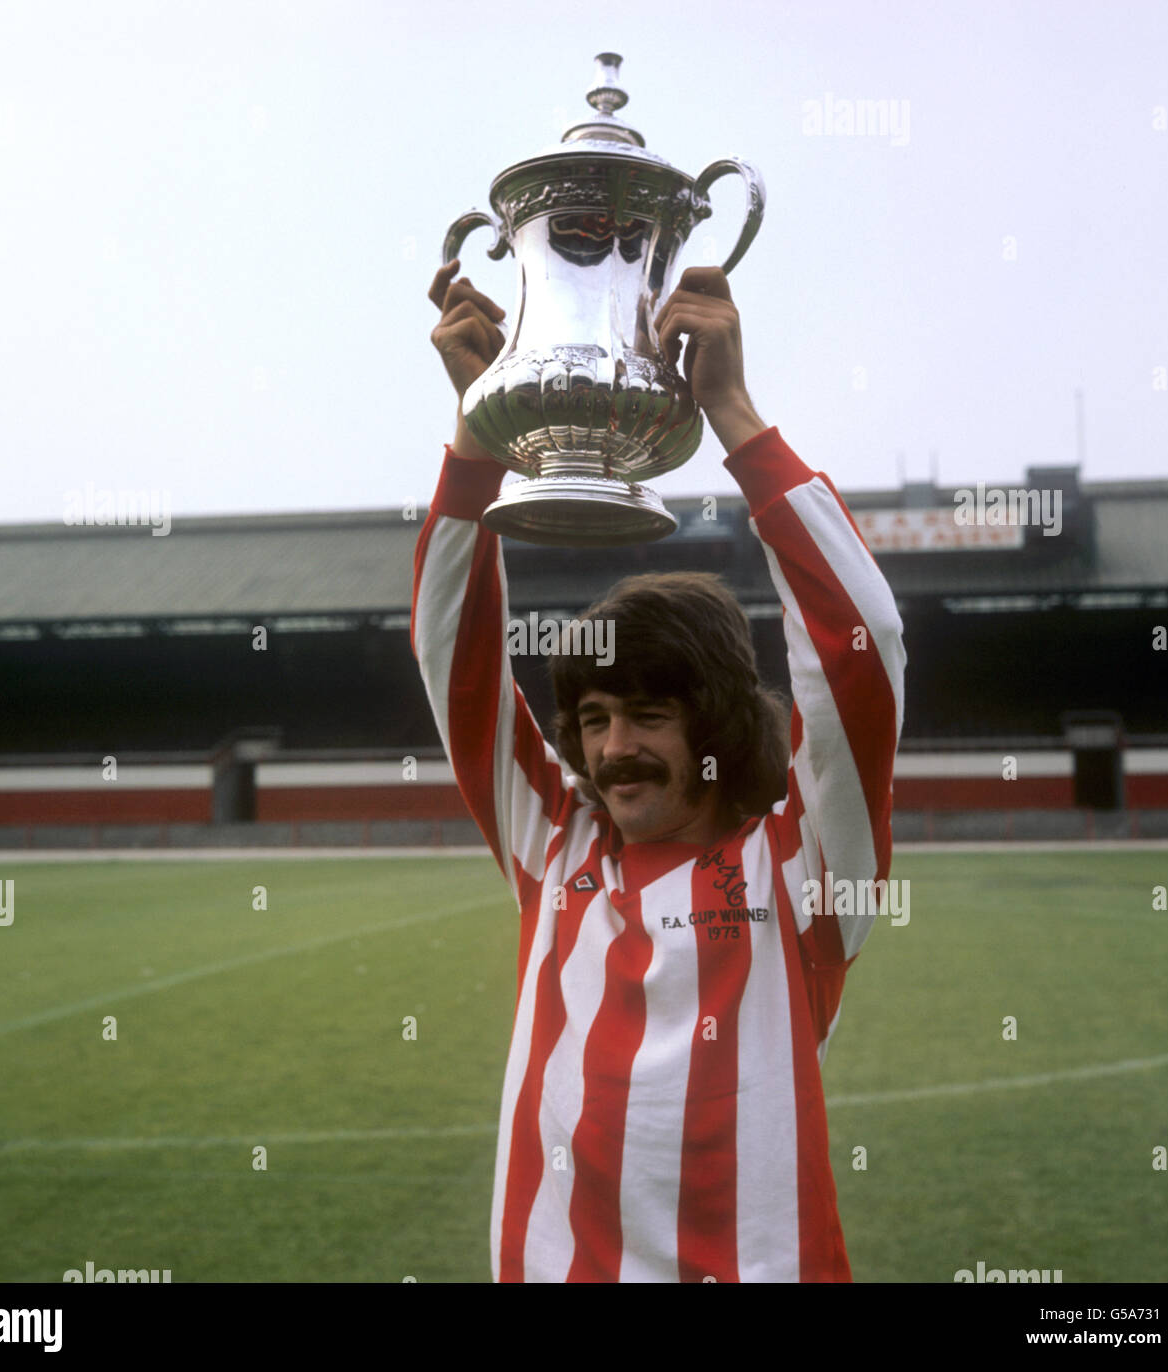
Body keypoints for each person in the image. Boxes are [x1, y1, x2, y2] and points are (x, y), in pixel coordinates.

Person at [415, 259, 906, 1282]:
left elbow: (863, 650)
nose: (610, 749)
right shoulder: (556, 846)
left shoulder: (803, 875)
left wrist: (731, 410)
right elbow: (452, 657)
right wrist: (477, 433)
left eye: (647, 714)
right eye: (591, 719)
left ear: (717, 720)